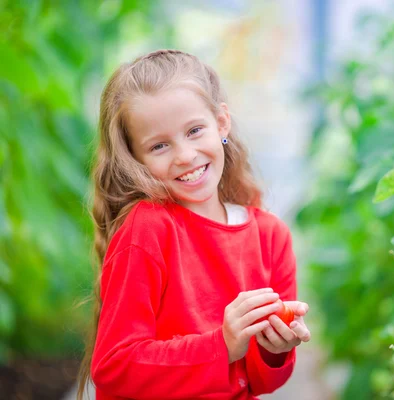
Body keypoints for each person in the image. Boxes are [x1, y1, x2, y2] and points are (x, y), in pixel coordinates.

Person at [76, 49, 311, 400]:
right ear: (135, 159)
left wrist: (276, 348)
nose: (185, 155)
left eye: (195, 130)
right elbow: (114, 367)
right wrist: (222, 345)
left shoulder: (270, 237)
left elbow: (264, 382)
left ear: (222, 122)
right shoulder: (148, 228)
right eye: (159, 146)